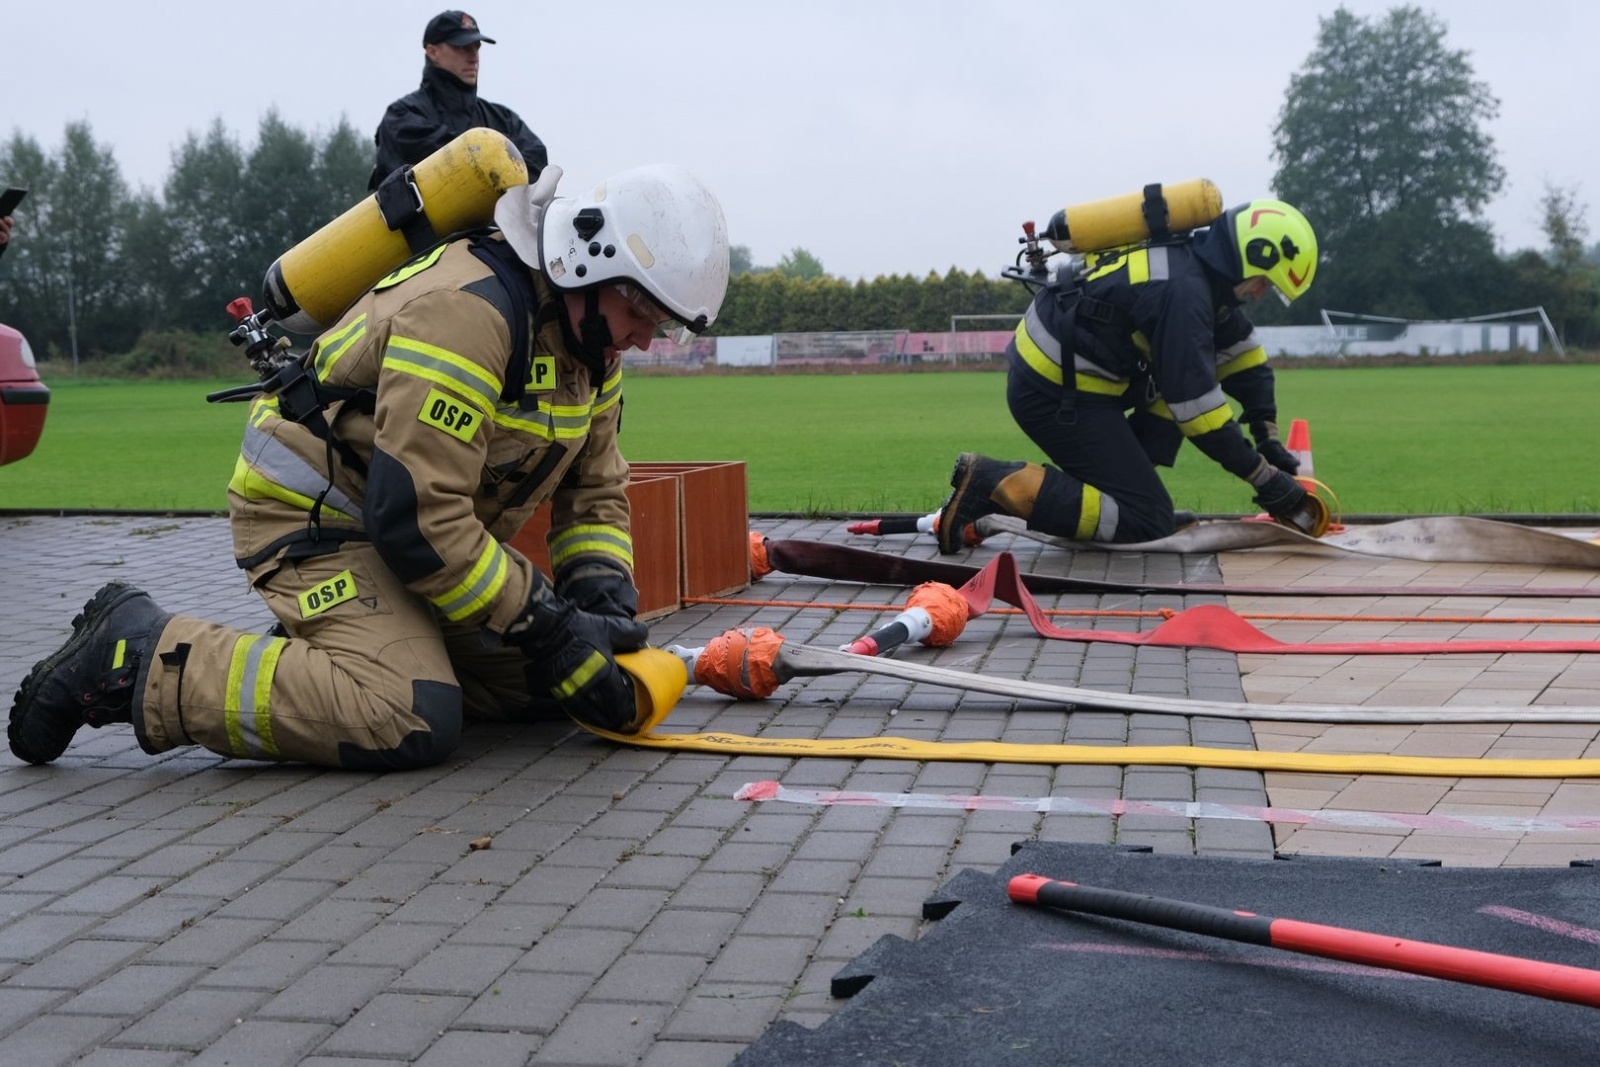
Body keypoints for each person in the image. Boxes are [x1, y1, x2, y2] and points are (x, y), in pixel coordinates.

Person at [9, 163, 730, 770]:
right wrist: (546, 623)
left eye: (658, 323)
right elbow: (418, 517)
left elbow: (595, 493)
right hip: (316, 514)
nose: (643, 339)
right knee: (408, 713)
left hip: (404, 539)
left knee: (561, 683)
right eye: (642, 313)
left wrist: (600, 616)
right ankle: (142, 655)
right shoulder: (467, 313)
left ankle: (342, 656)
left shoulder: (590, 351)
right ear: (588, 267)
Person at [936, 199, 1323, 553]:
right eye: (1264, 282)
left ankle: (1126, 500)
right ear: (1250, 258)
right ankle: (993, 481)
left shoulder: (1197, 270)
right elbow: (1199, 412)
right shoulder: (1185, 294)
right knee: (1147, 519)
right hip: (1053, 393)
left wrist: (1267, 434)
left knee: (1162, 426)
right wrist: (1265, 479)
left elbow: (1245, 357)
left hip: (1071, 380)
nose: (1259, 294)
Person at [368, 10, 548, 192]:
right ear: (432, 51)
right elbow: (456, 159)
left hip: (500, 221)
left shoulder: (504, 119)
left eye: (477, 47)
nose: (474, 57)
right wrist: (504, 156)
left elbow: (537, 160)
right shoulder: (402, 116)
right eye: (462, 47)